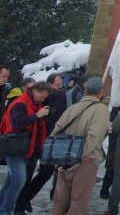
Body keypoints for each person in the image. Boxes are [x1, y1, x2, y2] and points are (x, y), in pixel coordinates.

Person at [51, 77, 110, 215]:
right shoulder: (101, 109)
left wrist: (61, 153)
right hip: (85, 160)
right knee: (79, 202)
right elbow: (94, 136)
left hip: (65, 158)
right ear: (100, 91)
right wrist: (83, 155)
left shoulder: (73, 107)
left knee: (60, 200)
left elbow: (57, 130)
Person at [14, 73, 67, 213]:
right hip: (32, 141)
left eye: (60, 84)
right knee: (26, 174)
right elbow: (19, 121)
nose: (59, 87)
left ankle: (24, 198)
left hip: (46, 139)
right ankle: (19, 203)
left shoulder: (54, 98)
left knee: (46, 171)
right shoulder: (30, 100)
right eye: (57, 84)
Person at [0, 81, 49, 215]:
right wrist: (36, 116)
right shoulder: (21, 103)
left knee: (12, 181)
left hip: (25, 148)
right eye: (41, 96)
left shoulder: (35, 104)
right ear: (35, 91)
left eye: (44, 98)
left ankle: (2, 206)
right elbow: (16, 123)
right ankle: (5, 210)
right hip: (15, 147)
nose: (42, 100)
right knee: (19, 180)